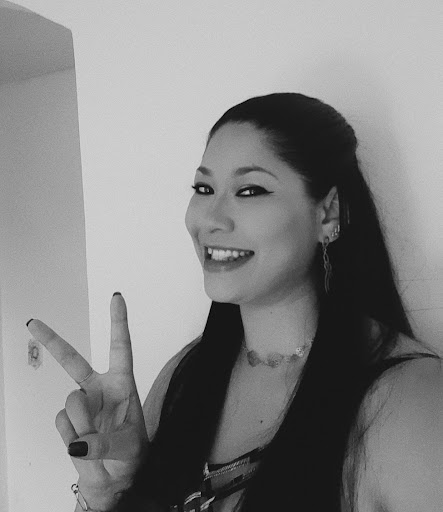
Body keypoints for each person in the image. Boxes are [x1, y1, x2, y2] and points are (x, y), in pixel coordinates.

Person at [27, 93, 442, 512]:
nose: (210, 218)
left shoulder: (413, 402)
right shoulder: (184, 377)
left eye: (249, 190)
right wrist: (105, 494)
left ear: (328, 213)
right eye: (203, 188)